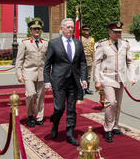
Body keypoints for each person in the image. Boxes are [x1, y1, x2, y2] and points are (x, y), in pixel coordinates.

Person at [44, 18, 88, 146]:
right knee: (59, 108)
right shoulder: (53, 43)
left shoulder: (78, 43)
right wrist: (47, 80)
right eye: (68, 27)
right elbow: (47, 65)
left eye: (72, 27)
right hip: (59, 81)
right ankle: (55, 122)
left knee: (71, 109)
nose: (70, 29)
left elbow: (83, 62)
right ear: (62, 28)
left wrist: (84, 78)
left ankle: (69, 133)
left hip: (73, 81)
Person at [94, 21, 136, 143]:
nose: (118, 34)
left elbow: (130, 61)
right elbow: (96, 63)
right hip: (107, 78)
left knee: (117, 104)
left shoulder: (125, 44)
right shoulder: (103, 45)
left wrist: (132, 76)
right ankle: (108, 129)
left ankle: (115, 125)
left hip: (120, 78)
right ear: (110, 32)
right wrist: (97, 80)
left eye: (120, 32)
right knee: (111, 103)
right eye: (115, 32)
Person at [16, 20, 48, 128]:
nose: (37, 31)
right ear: (30, 30)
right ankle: (30, 115)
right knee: (30, 94)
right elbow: (19, 60)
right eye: (34, 29)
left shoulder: (46, 43)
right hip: (29, 73)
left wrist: (50, 75)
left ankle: (39, 117)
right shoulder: (24, 43)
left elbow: (48, 60)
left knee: (40, 97)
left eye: (38, 28)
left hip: (41, 73)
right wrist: (19, 74)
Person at [81, 25, 95, 95]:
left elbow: (93, 50)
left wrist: (94, 59)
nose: (87, 31)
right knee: (82, 74)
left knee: (89, 75)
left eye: (88, 30)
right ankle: (82, 89)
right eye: (85, 30)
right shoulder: (80, 39)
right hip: (82, 59)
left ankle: (87, 89)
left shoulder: (92, 39)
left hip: (89, 59)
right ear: (82, 31)